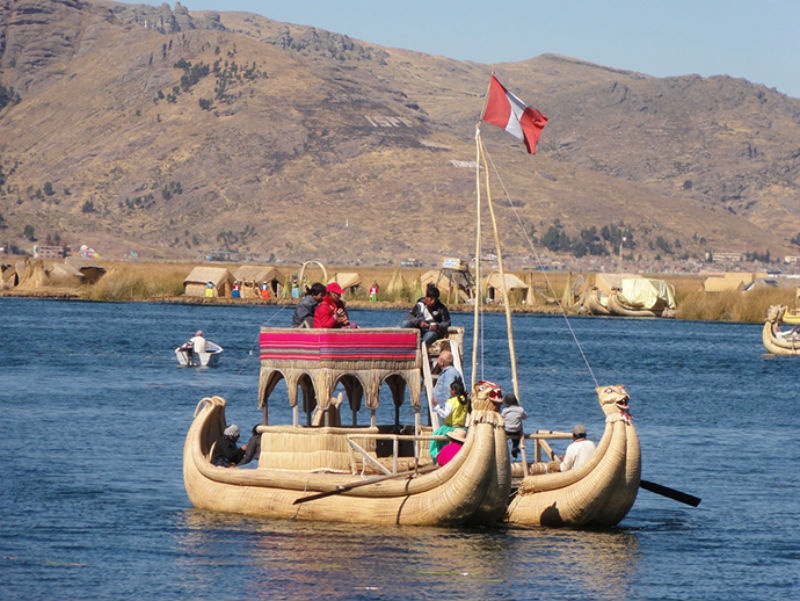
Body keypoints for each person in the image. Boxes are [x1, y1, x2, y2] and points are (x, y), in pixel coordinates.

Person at [429, 377, 470, 461]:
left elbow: (445, 415)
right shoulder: (465, 400)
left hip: (450, 428)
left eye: (450, 390)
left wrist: (437, 406)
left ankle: (437, 457)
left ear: (454, 391)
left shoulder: (451, 402)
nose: (450, 391)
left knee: (434, 439)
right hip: (462, 428)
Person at [501, 393, 528, 459]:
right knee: (517, 437)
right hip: (516, 430)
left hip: (507, 430)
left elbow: (501, 418)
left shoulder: (505, 410)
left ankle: (503, 449)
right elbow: (525, 417)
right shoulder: (520, 410)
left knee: (504, 434)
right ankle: (515, 447)